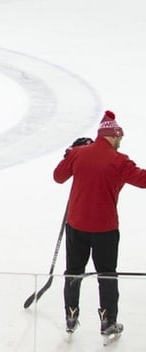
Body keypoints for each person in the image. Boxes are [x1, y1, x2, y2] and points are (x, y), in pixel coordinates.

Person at [54, 110, 146, 340]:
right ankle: (108, 321)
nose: (120, 142)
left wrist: (69, 154)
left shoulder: (79, 154)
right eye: (120, 138)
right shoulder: (120, 161)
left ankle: (70, 316)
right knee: (107, 275)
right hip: (105, 229)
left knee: (73, 271)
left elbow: (58, 176)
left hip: (76, 226)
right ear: (113, 136)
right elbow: (144, 180)